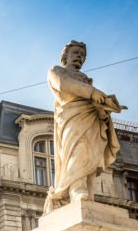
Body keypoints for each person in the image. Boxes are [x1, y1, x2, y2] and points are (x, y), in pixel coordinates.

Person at [44, 40, 126, 213]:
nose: (79, 57)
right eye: (75, 53)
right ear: (65, 57)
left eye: (82, 55)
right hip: (71, 117)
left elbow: (93, 99)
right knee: (77, 149)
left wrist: (106, 107)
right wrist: (92, 93)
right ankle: (76, 190)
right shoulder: (56, 71)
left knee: (91, 154)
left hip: (91, 119)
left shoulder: (87, 81)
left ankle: (88, 193)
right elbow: (63, 84)